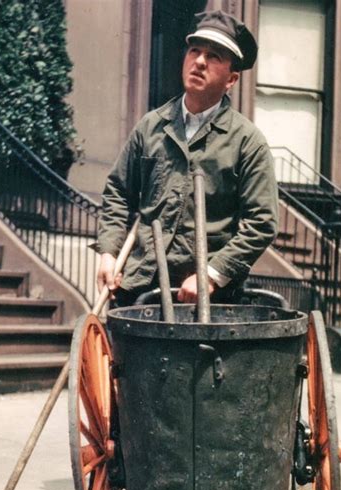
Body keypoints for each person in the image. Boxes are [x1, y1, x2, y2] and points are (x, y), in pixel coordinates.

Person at [95, 10, 278, 306]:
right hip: (139, 288)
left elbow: (262, 222)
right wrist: (108, 253)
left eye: (214, 56)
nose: (200, 62)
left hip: (208, 301)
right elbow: (118, 192)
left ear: (231, 79)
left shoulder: (248, 142)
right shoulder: (150, 127)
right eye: (195, 51)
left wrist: (211, 274)